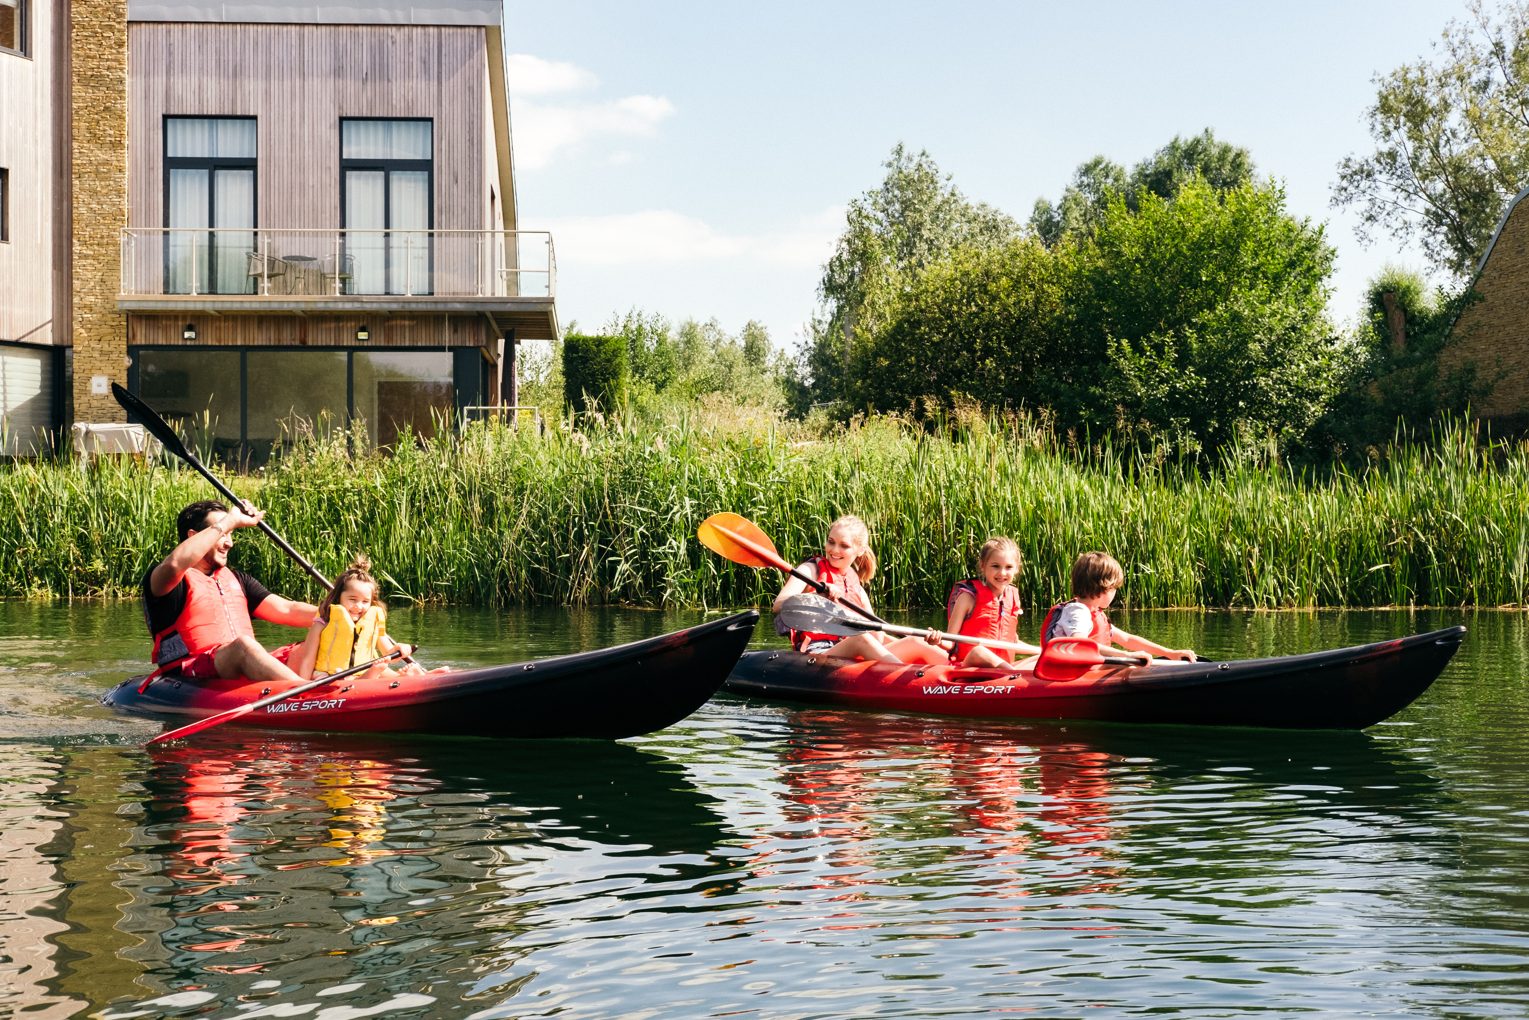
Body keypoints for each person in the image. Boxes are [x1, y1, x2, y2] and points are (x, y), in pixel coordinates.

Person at [142, 500, 319, 684]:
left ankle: (328, 689)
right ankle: (307, 692)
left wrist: (336, 614)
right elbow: (174, 564)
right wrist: (230, 519)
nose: (230, 543)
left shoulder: (238, 580)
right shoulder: (166, 580)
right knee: (243, 646)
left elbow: (288, 609)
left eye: (231, 533)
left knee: (317, 641)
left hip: (241, 664)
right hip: (191, 673)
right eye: (223, 533)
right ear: (193, 536)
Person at [771, 514, 945, 664]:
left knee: (916, 641)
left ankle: (964, 679)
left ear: (860, 550)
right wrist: (817, 596)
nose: (834, 550)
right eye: (831, 542)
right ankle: (910, 685)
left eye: (844, 546)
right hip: (817, 654)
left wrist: (926, 641)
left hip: (853, 654)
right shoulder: (809, 571)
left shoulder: (857, 588)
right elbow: (778, 605)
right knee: (860, 639)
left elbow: (875, 634)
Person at [1041, 551, 1196, 665]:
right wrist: (1124, 655)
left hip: (1090, 672)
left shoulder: (1094, 612)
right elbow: (1081, 643)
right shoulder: (1078, 612)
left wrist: (1169, 653)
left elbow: (1128, 639)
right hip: (1071, 676)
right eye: (1114, 588)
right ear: (1103, 587)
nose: (1115, 593)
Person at [287, 555, 421, 680]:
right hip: (331, 675)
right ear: (338, 597)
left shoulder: (373, 622)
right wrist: (303, 684)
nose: (358, 606)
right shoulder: (322, 623)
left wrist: (400, 648)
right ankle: (372, 675)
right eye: (352, 599)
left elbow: (389, 653)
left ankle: (408, 676)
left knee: (385, 669)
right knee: (374, 669)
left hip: (363, 670)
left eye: (365, 602)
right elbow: (308, 658)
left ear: (371, 602)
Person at [945, 536, 1042, 670]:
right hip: (970, 665)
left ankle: (1012, 674)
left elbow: (1013, 643)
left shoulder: (1013, 598)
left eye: (1008, 567)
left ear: (1017, 569)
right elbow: (949, 642)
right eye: (995, 566)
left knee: (1043, 657)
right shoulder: (967, 597)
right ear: (983, 565)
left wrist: (1041, 650)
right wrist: (936, 639)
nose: (1002, 573)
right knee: (979, 651)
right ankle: (1013, 675)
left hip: (1003, 667)